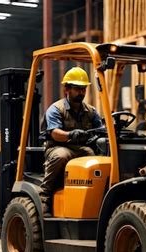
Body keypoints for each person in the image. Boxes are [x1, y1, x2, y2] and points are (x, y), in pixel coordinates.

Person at [40, 67, 103, 217]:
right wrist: (71, 135)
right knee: (61, 156)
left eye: (83, 89)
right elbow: (55, 133)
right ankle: (45, 196)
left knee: (93, 156)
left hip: (80, 148)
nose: (81, 92)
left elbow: (100, 129)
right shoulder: (56, 109)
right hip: (58, 146)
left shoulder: (91, 111)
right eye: (77, 89)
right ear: (67, 89)